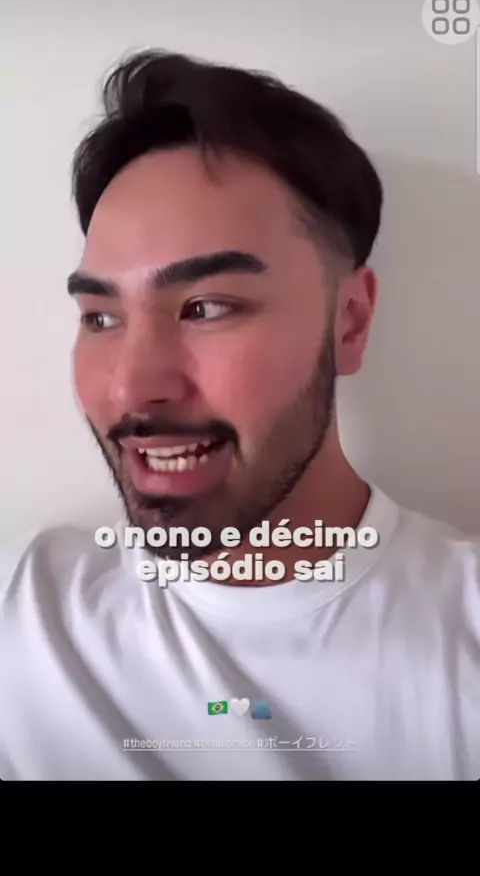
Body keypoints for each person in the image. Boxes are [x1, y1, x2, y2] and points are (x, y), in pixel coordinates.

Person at [1, 50, 479, 782]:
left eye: (207, 308)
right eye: (101, 317)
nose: (133, 388)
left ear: (350, 322)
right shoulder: (29, 617)